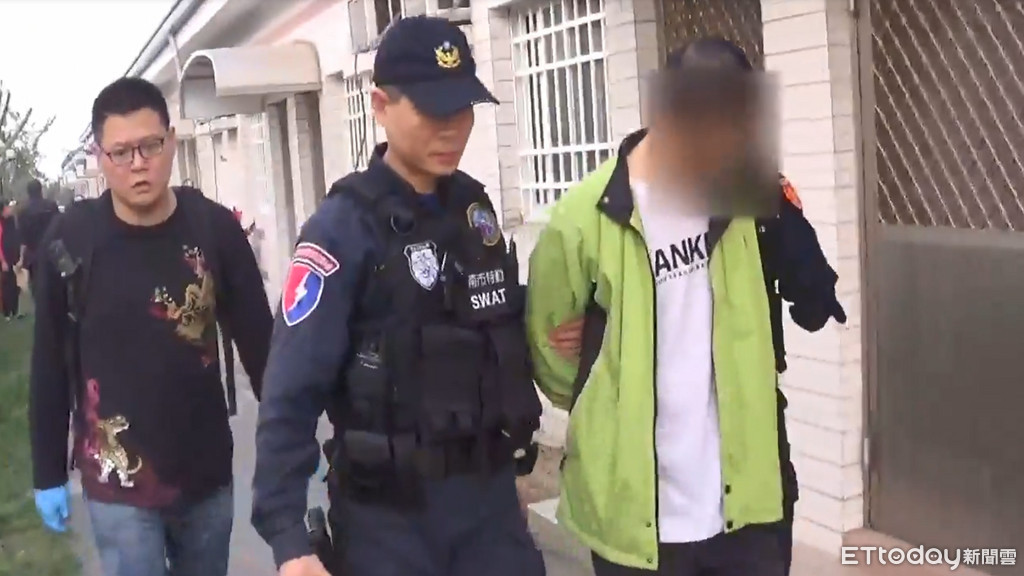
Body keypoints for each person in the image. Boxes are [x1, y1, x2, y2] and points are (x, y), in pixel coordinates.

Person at [525, 38, 846, 576]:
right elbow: (551, 356)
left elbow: (809, 293)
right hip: (633, 518)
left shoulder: (749, 200)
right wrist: (608, 382)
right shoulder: (582, 218)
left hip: (749, 512)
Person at [251, 16, 545, 576]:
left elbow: (488, 331)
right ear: (380, 105)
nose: (452, 128)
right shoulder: (341, 229)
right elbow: (290, 389)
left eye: (463, 109)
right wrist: (289, 539)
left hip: (488, 511)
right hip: (389, 523)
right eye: (433, 111)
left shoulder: (473, 210)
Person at [29, 76, 274, 576]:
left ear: (172, 141)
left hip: (204, 471)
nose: (138, 163)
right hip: (116, 480)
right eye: (121, 152)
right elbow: (49, 361)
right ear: (100, 157)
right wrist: (47, 471)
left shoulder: (213, 229)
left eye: (150, 146)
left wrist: (287, 438)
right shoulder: (71, 240)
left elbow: (261, 344)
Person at [18, 178, 59, 291]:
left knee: (37, 287)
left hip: (33, 256)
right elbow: (60, 228)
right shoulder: (51, 206)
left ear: (28, 192)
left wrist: (21, 259)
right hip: (52, 253)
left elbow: (23, 239)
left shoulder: (23, 212)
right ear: (41, 190)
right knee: (54, 286)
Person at [0, 200, 24, 320]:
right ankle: (7, 311)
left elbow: (17, 238)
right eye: (7, 208)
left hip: (14, 257)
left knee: (15, 284)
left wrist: (19, 257)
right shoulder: (1, 224)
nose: (9, 209)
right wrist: (3, 261)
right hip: (4, 259)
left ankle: (15, 310)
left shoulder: (12, 221)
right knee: (6, 285)